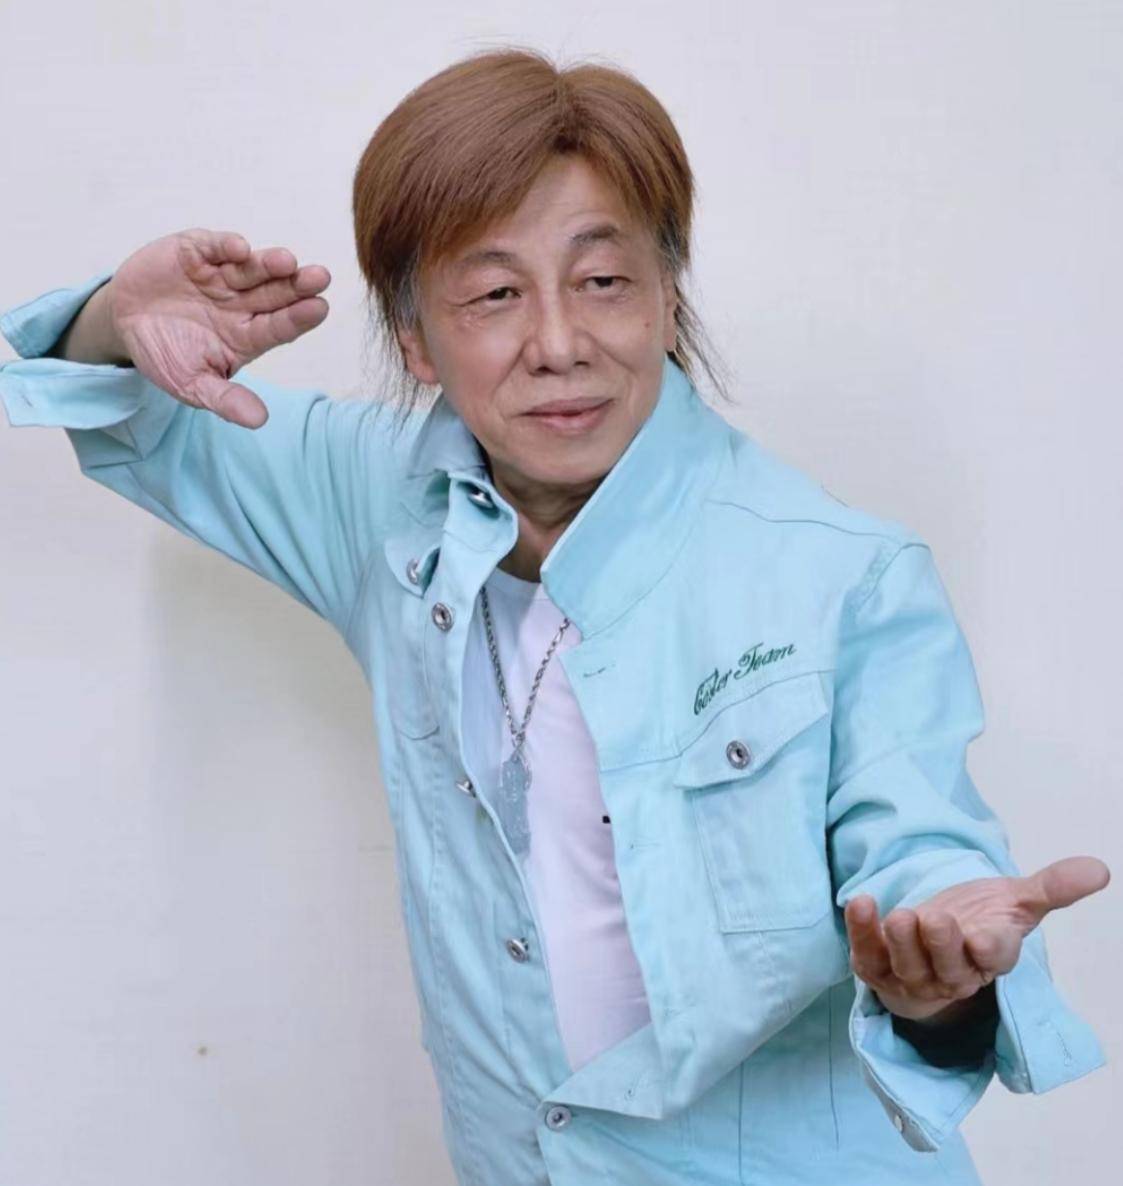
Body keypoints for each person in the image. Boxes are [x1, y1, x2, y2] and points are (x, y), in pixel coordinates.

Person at [0, 44, 1110, 1186]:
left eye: (602, 279)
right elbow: (138, 418)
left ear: (667, 295)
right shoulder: (375, 502)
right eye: (493, 294)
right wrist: (114, 317)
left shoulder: (842, 572)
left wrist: (937, 973)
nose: (558, 344)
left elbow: (924, 859)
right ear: (414, 339)